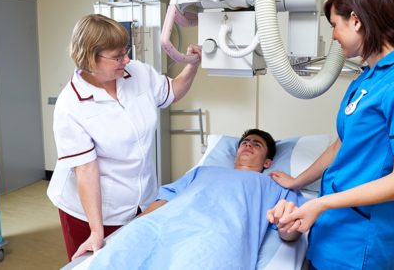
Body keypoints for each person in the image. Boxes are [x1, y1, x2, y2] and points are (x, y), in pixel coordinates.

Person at [267, 0, 394, 270]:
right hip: (331, 228)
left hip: (360, 242)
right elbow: (342, 144)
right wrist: (298, 182)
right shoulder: (369, 77)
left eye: (335, 25)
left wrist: (320, 204)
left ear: (356, 21)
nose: (333, 35)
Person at [47, 14, 201, 261]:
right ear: (89, 57)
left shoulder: (136, 72)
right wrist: (96, 231)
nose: (127, 60)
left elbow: (171, 92)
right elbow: (86, 171)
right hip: (93, 212)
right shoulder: (71, 105)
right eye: (118, 56)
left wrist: (192, 65)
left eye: (126, 51)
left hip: (142, 200)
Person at [89, 129, 305, 270]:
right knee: (115, 258)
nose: (248, 144)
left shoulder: (276, 184)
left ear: (267, 162)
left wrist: (286, 223)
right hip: (162, 224)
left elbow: (292, 235)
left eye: (256, 144)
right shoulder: (202, 171)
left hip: (216, 235)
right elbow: (165, 198)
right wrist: (132, 227)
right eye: (245, 142)